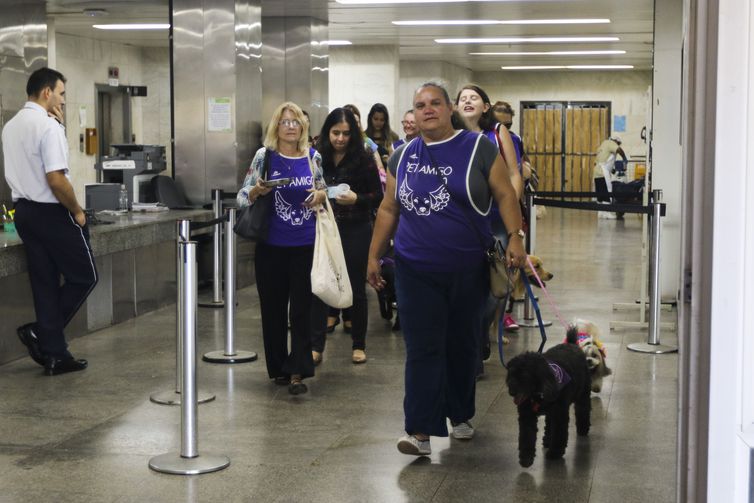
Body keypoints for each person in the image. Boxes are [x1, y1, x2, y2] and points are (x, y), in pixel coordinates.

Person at [367, 82, 526, 456]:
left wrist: (516, 237)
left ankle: (460, 412)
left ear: (449, 107)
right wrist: (374, 255)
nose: (427, 110)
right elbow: (390, 208)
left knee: (461, 343)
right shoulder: (402, 155)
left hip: (466, 267)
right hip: (414, 267)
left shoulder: (478, 148)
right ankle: (420, 431)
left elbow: (505, 194)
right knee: (422, 347)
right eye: (420, 105)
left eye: (435, 103)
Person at [2, 67, 97, 376]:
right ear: (47, 93)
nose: (63, 100)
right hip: (52, 211)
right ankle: (42, 334)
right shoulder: (48, 126)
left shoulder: (11, 126)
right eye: (61, 93)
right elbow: (56, 180)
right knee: (85, 276)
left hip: (24, 213)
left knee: (44, 283)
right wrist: (78, 211)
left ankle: (56, 354)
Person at [236, 101, 327, 395]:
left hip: (305, 245)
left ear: (303, 126)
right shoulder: (265, 156)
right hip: (271, 247)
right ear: (276, 127)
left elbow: (325, 190)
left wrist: (321, 195)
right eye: (284, 122)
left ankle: (298, 370)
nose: (290, 126)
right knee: (273, 310)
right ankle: (278, 368)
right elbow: (241, 197)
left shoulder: (313, 157)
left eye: (296, 121)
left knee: (301, 311)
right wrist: (256, 190)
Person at [310, 108, 383, 365]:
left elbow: (378, 197)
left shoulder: (363, 159)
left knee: (355, 287)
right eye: (335, 133)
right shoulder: (318, 158)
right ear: (327, 132)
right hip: (326, 229)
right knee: (320, 285)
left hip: (356, 228)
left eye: (345, 134)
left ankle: (359, 344)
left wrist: (356, 199)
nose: (340, 138)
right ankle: (316, 345)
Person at [456, 85, 524, 336]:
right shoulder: (451, 135)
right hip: (465, 221)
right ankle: (472, 338)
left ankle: (479, 331)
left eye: (473, 97)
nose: (467, 101)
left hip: (496, 218)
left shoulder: (496, 132)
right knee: (467, 280)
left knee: (499, 279)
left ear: (485, 107)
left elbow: (514, 173)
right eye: (462, 99)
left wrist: (511, 206)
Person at [594, 136, 628, 219]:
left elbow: (603, 160)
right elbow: (619, 150)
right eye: (618, 143)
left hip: (597, 172)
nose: (618, 145)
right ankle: (607, 212)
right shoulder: (611, 143)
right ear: (616, 141)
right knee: (607, 191)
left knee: (600, 192)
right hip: (603, 172)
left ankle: (601, 213)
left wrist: (613, 171)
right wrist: (624, 158)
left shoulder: (603, 144)